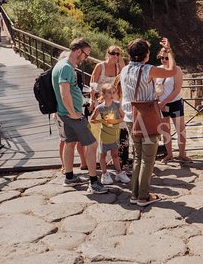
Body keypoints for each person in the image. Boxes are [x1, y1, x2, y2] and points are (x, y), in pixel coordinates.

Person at [120, 37, 176, 206]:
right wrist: (169, 51)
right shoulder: (148, 70)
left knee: (137, 156)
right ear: (145, 55)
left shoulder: (124, 70)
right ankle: (144, 196)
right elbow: (172, 71)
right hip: (146, 118)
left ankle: (134, 194)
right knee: (148, 158)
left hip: (130, 117)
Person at [52, 38, 108, 194]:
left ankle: (69, 177)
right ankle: (93, 183)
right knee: (91, 145)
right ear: (78, 51)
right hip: (71, 115)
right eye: (86, 55)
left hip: (63, 114)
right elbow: (64, 93)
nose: (85, 59)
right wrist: (73, 113)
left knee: (69, 143)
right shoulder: (67, 68)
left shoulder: (59, 65)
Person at [90, 83, 130, 184]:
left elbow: (123, 117)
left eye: (113, 92)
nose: (112, 95)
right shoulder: (100, 108)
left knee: (115, 154)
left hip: (114, 133)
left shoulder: (117, 105)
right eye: (109, 93)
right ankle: (105, 173)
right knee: (103, 154)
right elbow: (93, 119)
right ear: (103, 94)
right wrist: (103, 121)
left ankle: (119, 172)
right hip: (104, 134)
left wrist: (115, 121)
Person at [156, 47, 189, 163]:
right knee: (165, 130)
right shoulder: (158, 70)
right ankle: (169, 154)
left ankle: (182, 154)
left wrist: (164, 101)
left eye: (166, 58)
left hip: (175, 102)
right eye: (162, 58)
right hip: (162, 104)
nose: (164, 60)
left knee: (180, 129)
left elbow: (177, 89)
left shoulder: (177, 70)